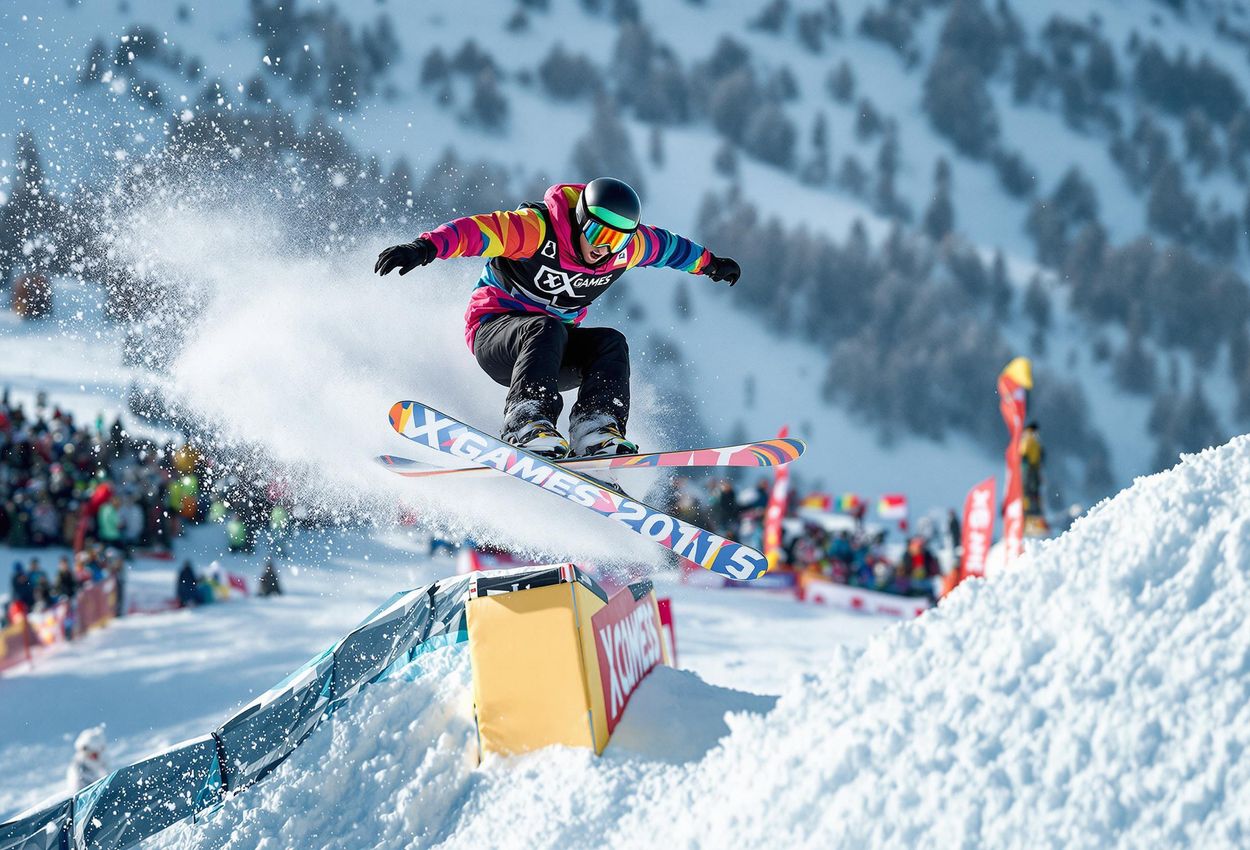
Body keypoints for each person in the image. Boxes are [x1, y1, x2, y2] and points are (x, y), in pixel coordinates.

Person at [375, 178, 741, 458]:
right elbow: (476, 231)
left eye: (617, 240)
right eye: (598, 233)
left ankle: (596, 429)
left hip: (549, 356)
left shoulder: (626, 250)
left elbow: (671, 248)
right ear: (581, 221)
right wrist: (424, 247)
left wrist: (710, 264)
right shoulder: (536, 231)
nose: (604, 247)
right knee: (545, 325)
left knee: (611, 342)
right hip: (496, 337)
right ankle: (526, 421)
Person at [67, 726, 110, 792]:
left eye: (97, 754)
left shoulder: (102, 764)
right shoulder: (78, 769)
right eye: (93, 755)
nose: (96, 758)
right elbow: (77, 792)